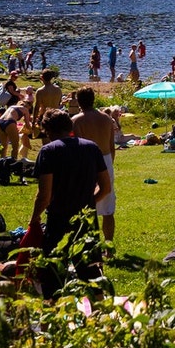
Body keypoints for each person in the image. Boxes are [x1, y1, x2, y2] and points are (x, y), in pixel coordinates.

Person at [28, 111, 111, 299]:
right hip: (86, 219)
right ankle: (100, 318)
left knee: (53, 274)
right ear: (70, 127)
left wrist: (34, 218)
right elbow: (106, 187)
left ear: (47, 130)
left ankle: (53, 317)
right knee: (91, 273)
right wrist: (88, 203)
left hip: (58, 219)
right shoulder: (92, 148)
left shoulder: (49, 151)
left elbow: (45, 195)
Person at [69, 88, 119, 245]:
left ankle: (88, 243)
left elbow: (76, 147)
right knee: (108, 207)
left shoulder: (76, 120)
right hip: (106, 159)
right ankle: (108, 244)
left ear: (79, 101)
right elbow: (112, 147)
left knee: (85, 203)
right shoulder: (106, 119)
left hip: (87, 160)